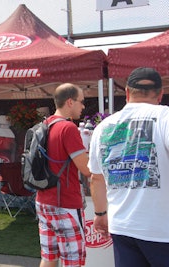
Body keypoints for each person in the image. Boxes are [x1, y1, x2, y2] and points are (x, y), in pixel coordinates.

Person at [88, 67, 169, 267]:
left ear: (126, 93)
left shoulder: (103, 127)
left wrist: (99, 214)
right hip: (161, 229)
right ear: (160, 93)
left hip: (122, 226)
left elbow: (96, 178)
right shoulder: (165, 117)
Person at [36, 83, 91, 267]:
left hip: (43, 200)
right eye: (81, 101)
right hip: (65, 203)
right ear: (70, 102)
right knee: (72, 261)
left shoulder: (45, 124)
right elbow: (86, 169)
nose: (83, 106)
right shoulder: (68, 128)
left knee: (49, 257)